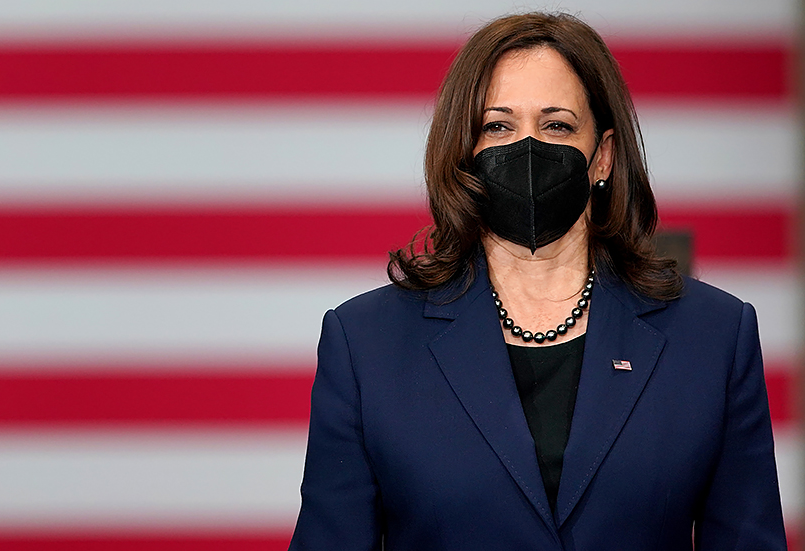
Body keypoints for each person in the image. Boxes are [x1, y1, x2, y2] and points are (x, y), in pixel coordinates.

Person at [288, 12, 786, 550]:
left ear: (604, 157)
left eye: (557, 125)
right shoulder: (365, 342)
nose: (527, 148)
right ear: (465, 153)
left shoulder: (714, 335)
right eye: (498, 126)